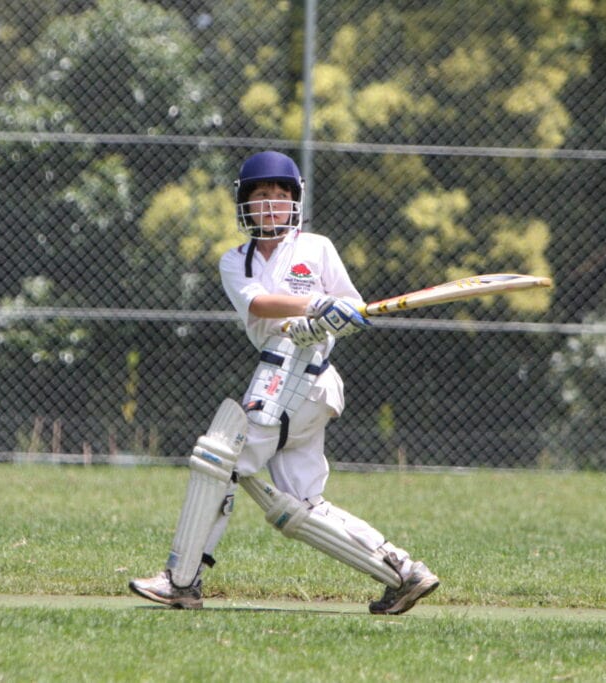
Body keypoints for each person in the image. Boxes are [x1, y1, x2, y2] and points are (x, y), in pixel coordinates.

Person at [130, 151, 439, 614]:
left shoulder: (317, 248)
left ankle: (181, 580)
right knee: (300, 504)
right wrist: (313, 308)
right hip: (279, 374)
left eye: (280, 195)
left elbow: (351, 310)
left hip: (303, 376)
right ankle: (402, 572)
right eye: (261, 196)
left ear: (295, 201)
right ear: (245, 206)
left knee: (219, 459)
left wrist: (331, 319)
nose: (272, 204)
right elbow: (259, 306)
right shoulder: (236, 262)